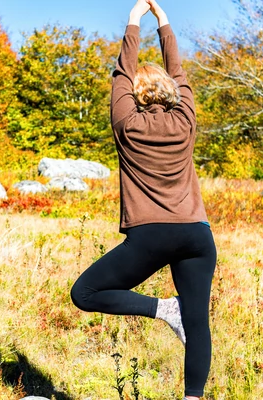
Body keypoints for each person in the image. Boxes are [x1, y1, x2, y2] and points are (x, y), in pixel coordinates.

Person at [70, 1, 217, 399]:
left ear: (132, 93)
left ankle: (164, 310)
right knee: (198, 322)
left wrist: (133, 19)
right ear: (172, 92)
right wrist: (162, 20)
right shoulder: (186, 121)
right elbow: (180, 70)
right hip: (197, 236)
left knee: (83, 294)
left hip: (151, 235)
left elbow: (121, 70)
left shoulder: (127, 124)